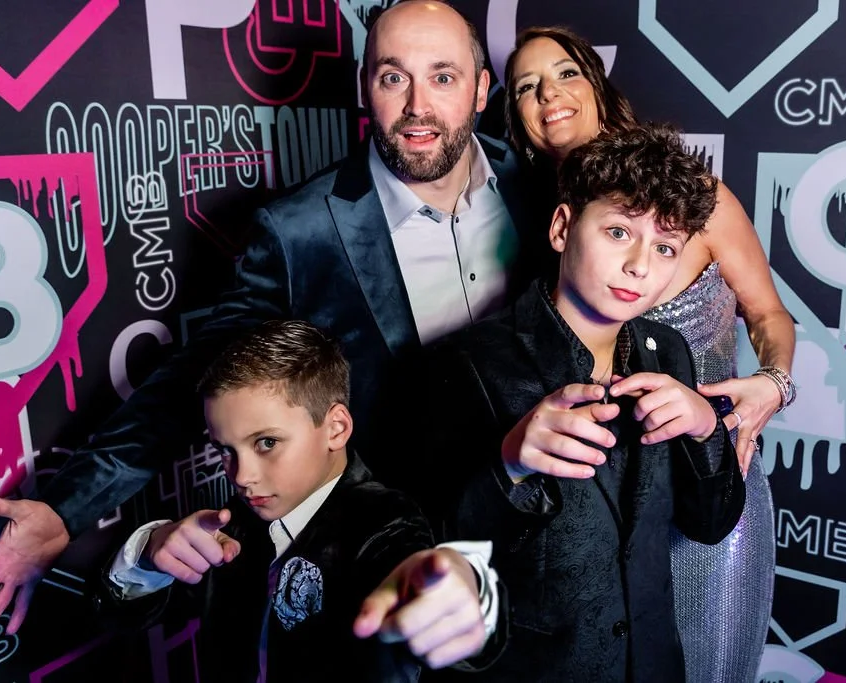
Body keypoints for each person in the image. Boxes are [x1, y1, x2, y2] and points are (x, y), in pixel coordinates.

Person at [0, 1, 539, 658]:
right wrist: (64, 509)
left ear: (480, 88)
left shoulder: (535, 185)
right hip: (398, 564)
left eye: (442, 77)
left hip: (540, 538)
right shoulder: (299, 230)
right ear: (365, 88)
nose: (417, 105)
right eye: (393, 77)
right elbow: (191, 380)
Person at [399, 125, 745, 681]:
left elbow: (709, 525)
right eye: (617, 231)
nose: (640, 265)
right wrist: (507, 466)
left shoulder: (670, 353)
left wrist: (707, 431)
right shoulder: (471, 362)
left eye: (664, 247)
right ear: (562, 227)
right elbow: (427, 553)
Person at [504, 26, 796, 682]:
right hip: (593, 510)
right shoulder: (538, 231)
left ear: (600, 89)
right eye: (526, 87)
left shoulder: (697, 198)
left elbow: (770, 313)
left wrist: (775, 381)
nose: (549, 93)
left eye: (566, 73)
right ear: (519, 125)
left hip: (705, 496)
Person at [96, 320, 492, 681]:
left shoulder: (382, 520)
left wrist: (464, 586)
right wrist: (149, 551)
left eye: (266, 443)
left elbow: (417, 573)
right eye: (225, 450)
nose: (241, 476)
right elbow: (116, 617)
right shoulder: (228, 529)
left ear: (335, 428)